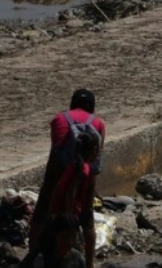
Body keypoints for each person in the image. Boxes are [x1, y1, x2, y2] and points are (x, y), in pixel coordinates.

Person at [29, 89, 107, 248]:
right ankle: (89, 267)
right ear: (92, 107)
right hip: (86, 172)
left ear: (72, 104)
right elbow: (96, 157)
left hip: (59, 171)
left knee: (42, 215)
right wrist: (90, 186)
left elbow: (55, 151)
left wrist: (50, 184)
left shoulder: (59, 119)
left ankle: (33, 254)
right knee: (87, 218)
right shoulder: (98, 123)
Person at [48, 128, 101, 268]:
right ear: (94, 150)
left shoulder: (75, 165)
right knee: (72, 248)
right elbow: (70, 191)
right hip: (65, 212)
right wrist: (69, 216)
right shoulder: (82, 169)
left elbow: (59, 188)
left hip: (59, 209)